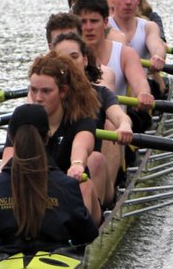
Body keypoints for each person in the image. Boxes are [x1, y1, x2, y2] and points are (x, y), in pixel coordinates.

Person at [0, 104, 98, 255]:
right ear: (47, 137)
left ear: (12, 139)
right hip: (58, 261)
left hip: (6, 263)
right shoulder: (66, 185)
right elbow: (88, 235)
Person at [3, 52, 103, 224]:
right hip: (35, 198)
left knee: (84, 185)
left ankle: (80, 244)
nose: (38, 98)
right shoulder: (23, 122)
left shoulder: (81, 122)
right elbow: (8, 158)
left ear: (63, 91)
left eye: (46, 91)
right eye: (33, 90)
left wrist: (77, 165)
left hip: (70, 199)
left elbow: (81, 146)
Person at [51, 31, 134, 208]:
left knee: (95, 158)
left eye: (74, 57)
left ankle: (87, 223)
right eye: (62, 59)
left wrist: (124, 126)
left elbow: (120, 117)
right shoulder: (46, 96)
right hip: (55, 179)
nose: (69, 64)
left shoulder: (100, 94)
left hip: (93, 179)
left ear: (85, 60)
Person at [71, 0, 155, 111]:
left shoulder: (125, 54)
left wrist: (143, 93)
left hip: (116, 125)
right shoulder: (69, 55)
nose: (89, 27)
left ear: (106, 23)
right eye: (83, 22)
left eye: (94, 21)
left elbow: (140, 82)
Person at [107, 0, 168, 97]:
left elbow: (157, 45)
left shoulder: (148, 27)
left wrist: (157, 57)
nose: (128, 1)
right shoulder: (103, 26)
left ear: (138, 0)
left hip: (138, 97)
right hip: (110, 96)